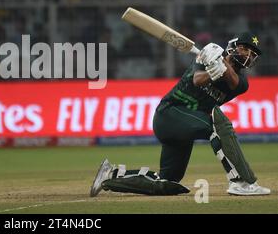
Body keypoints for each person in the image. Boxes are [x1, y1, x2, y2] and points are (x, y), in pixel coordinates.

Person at [90, 32, 271, 197]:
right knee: (217, 123)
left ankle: (110, 175)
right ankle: (241, 181)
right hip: (170, 113)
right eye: (245, 48)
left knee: (167, 182)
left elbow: (233, 82)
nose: (248, 55)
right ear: (233, 46)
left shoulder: (243, 83)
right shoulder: (207, 56)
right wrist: (211, 70)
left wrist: (222, 65)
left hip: (186, 125)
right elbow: (197, 79)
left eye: (252, 53)